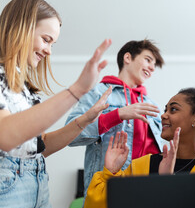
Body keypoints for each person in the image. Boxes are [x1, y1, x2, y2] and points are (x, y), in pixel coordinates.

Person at [0, 0, 113, 208]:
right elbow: (5, 136)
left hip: (38, 184)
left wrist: (83, 121)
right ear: (21, 28)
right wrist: (77, 90)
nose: (48, 51)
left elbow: (40, 147)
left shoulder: (25, 89)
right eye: (46, 39)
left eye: (52, 43)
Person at [83, 88, 195, 208]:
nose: (163, 115)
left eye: (173, 109)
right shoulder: (141, 166)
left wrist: (166, 186)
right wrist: (109, 173)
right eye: (165, 110)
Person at [65, 39, 165, 197]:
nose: (152, 68)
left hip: (149, 192)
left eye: (154, 65)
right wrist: (117, 115)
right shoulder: (99, 93)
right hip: (108, 191)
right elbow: (69, 136)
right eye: (148, 60)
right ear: (127, 58)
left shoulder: (152, 106)